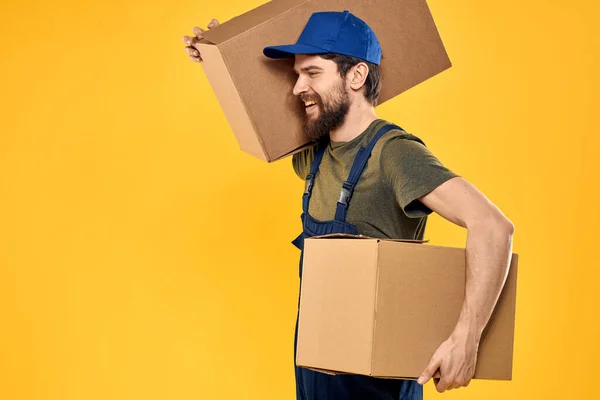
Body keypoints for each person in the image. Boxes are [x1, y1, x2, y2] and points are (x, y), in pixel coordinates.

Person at [182, 10, 515, 400]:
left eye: (312, 73)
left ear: (356, 76)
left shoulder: (394, 154)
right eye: (295, 74)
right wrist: (223, 54)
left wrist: (466, 341)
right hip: (316, 376)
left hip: (376, 385)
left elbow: (493, 227)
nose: (296, 88)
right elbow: (266, 114)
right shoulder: (317, 154)